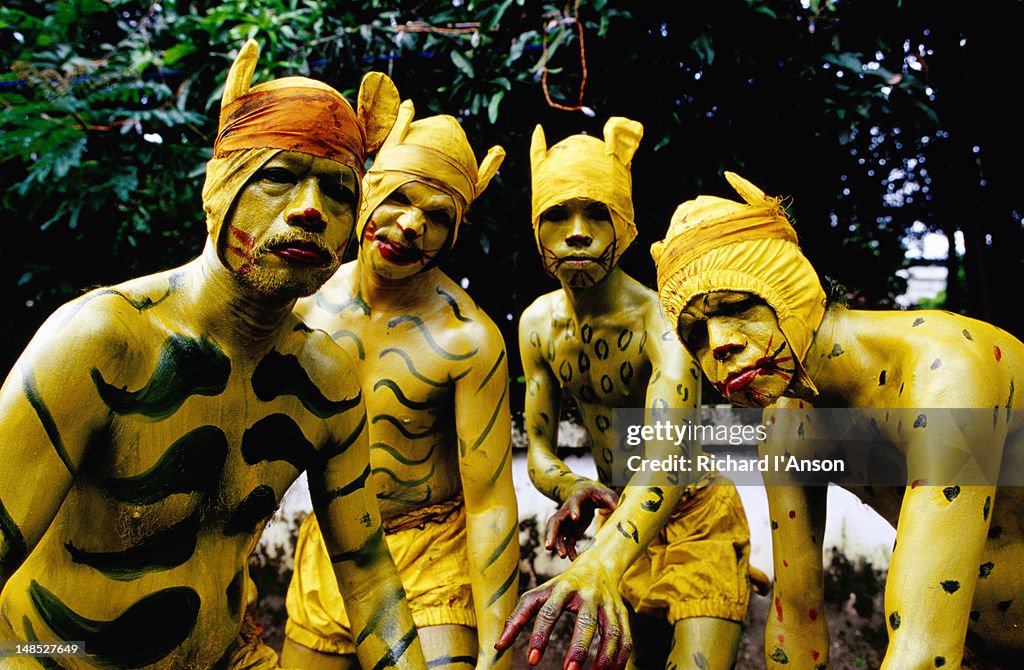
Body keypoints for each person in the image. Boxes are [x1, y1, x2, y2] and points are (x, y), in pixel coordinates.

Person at [0, 39, 427, 670]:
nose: (311, 210)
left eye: (338, 191)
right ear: (220, 190)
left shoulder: (327, 379)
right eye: (278, 177)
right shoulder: (103, 343)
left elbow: (367, 576)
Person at [651, 171, 1024, 668]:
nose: (719, 345)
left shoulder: (946, 373)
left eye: (738, 307)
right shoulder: (788, 426)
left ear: (792, 290)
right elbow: (796, 620)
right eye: (695, 334)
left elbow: (923, 648)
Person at [499, 119, 754, 670]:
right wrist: (575, 485)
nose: (577, 231)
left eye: (597, 213)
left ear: (625, 225)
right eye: (557, 216)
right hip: (622, 519)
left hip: (696, 518)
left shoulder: (661, 323)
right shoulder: (537, 324)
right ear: (535, 229)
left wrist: (602, 560)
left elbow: (665, 461)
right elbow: (538, 449)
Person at [281, 101, 519, 670]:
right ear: (367, 193)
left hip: (431, 555)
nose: (412, 225)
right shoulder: (300, 308)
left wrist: (497, 652)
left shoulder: (469, 340)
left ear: (453, 234)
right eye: (400, 199)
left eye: (437, 216)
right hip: (330, 547)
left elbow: (490, 504)